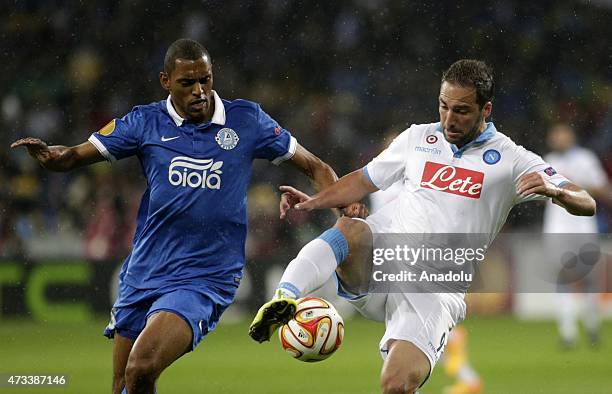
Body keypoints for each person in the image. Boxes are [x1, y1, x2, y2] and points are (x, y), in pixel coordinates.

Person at [11, 38, 365, 394]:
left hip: (204, 275)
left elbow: (314, 166)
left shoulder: (246, 120)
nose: (200, 91)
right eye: (187, 83)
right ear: (166, 81)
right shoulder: (144, 122)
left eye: (206, 80)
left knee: (141, 366)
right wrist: (52, 159)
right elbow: (73, 155)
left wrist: (342, 203)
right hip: (144, 269)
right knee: (123, 384)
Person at [249, 59, 596, 394]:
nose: (448, 118)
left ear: (485, 110)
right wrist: (312, 203)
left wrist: (555, 192)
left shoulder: (511, 158)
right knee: (350, 229)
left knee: (396, 384)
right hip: (384, 258)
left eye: (461, 110)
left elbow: (586, 201)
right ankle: (285, 296)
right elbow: (362, 180)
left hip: (434, 288)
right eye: (443, 106)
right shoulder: (418, 138)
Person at [542, 123, 612, 349]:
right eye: (556, 135)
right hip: (557, 228)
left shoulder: (585, 159)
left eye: (563, 134)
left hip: (583, 226)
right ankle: (567, 331)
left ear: (571, 137)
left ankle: (591, 324)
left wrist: (581, 188)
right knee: (563, 278)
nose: (559, 139)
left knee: (590, 278)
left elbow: (601, 187)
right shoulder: (546, 161)